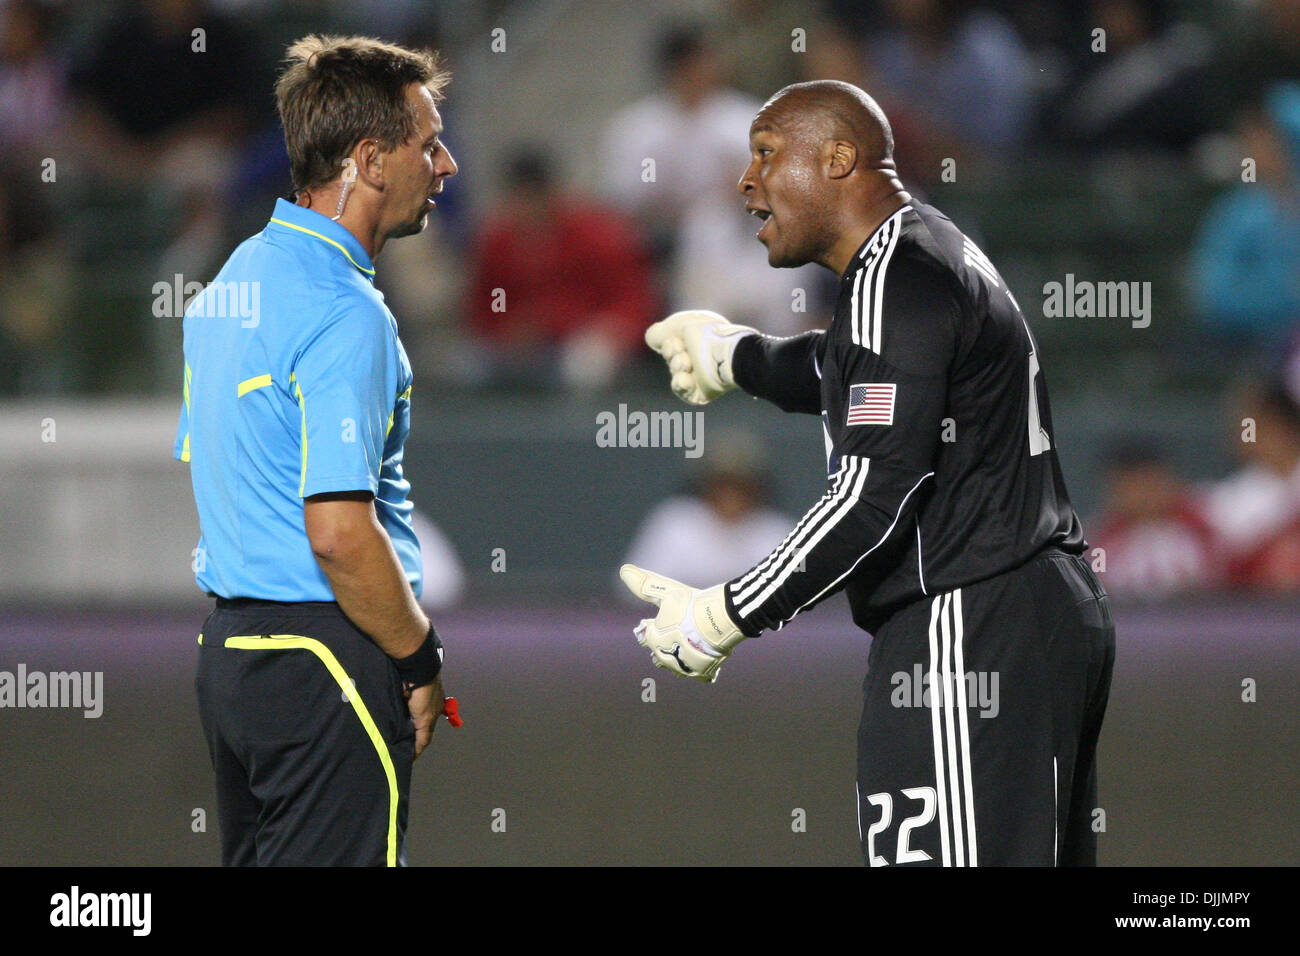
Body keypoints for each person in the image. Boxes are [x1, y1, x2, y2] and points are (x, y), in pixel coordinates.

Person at [622, 80, 1115, 867]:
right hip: (1021, 608)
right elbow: (854, 364)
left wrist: (726, 613)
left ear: (840, 156)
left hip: (967, 619)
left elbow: (871, 497)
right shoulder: (924, 254)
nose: (746, 182)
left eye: (766, 155)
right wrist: (737, 356)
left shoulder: (895, 273)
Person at [174, 35, 459, 866]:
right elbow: (337, 531)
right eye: (429, 142)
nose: (445, 165)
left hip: (231, 661)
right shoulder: (347, 312)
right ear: (370, 160)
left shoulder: (230, 282)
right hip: (323, 657)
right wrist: (419, 657)